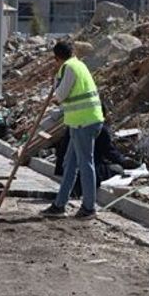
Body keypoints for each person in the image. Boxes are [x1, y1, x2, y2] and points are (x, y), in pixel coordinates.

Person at [42, 41, 105, 219]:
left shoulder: (68, 68)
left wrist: (55, 80)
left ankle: (89, 207)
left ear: (57, 58)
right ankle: (59, 204)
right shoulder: (79, 64)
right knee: (70, 163)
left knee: (85, 164)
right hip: (84, 121)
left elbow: (60, 96)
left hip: (83, 123)